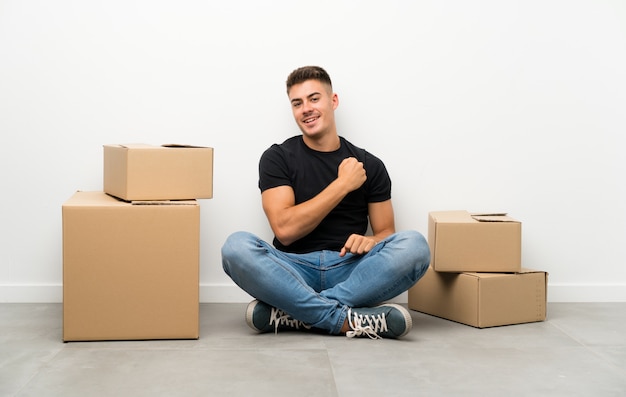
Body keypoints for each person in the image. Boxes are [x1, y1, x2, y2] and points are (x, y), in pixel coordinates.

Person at [222, 66, 430, 339]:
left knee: (415, 246)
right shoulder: (278, 157)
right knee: (236, 247)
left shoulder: (370, 165)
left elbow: (386, 233)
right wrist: (342, 184)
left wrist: (372, 242)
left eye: (314, 98)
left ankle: (295, 313)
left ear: (333, 101)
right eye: (297, 103)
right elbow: (285, 229)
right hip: (292, 268)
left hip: (351, 269)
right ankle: (342, 319)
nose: (306, 108)